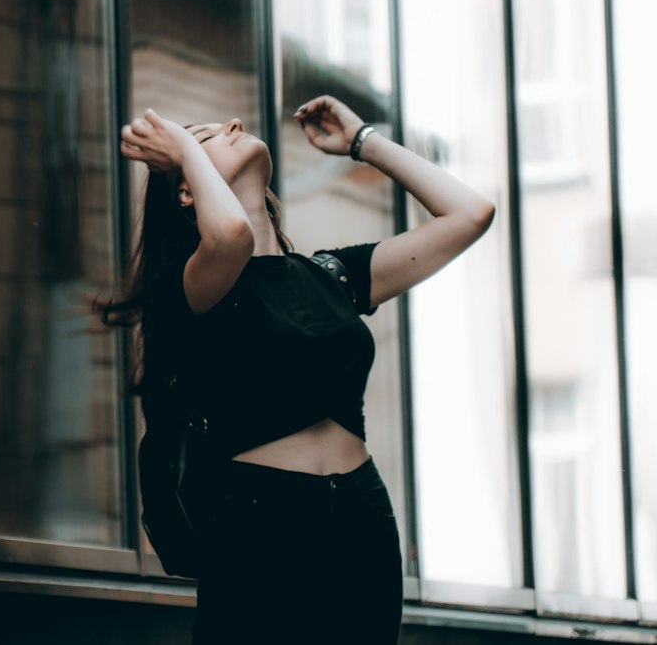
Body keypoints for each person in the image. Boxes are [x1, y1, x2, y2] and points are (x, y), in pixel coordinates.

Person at [100, 95, 496, 644]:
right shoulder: (188, 284)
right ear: (187, 189)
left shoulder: (330, 275)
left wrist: (363, 141)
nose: (235, 123)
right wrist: (185, 149)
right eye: (210, 134)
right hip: (262, 522)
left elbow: (470, 214)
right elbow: (230, 238)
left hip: (361, 516)